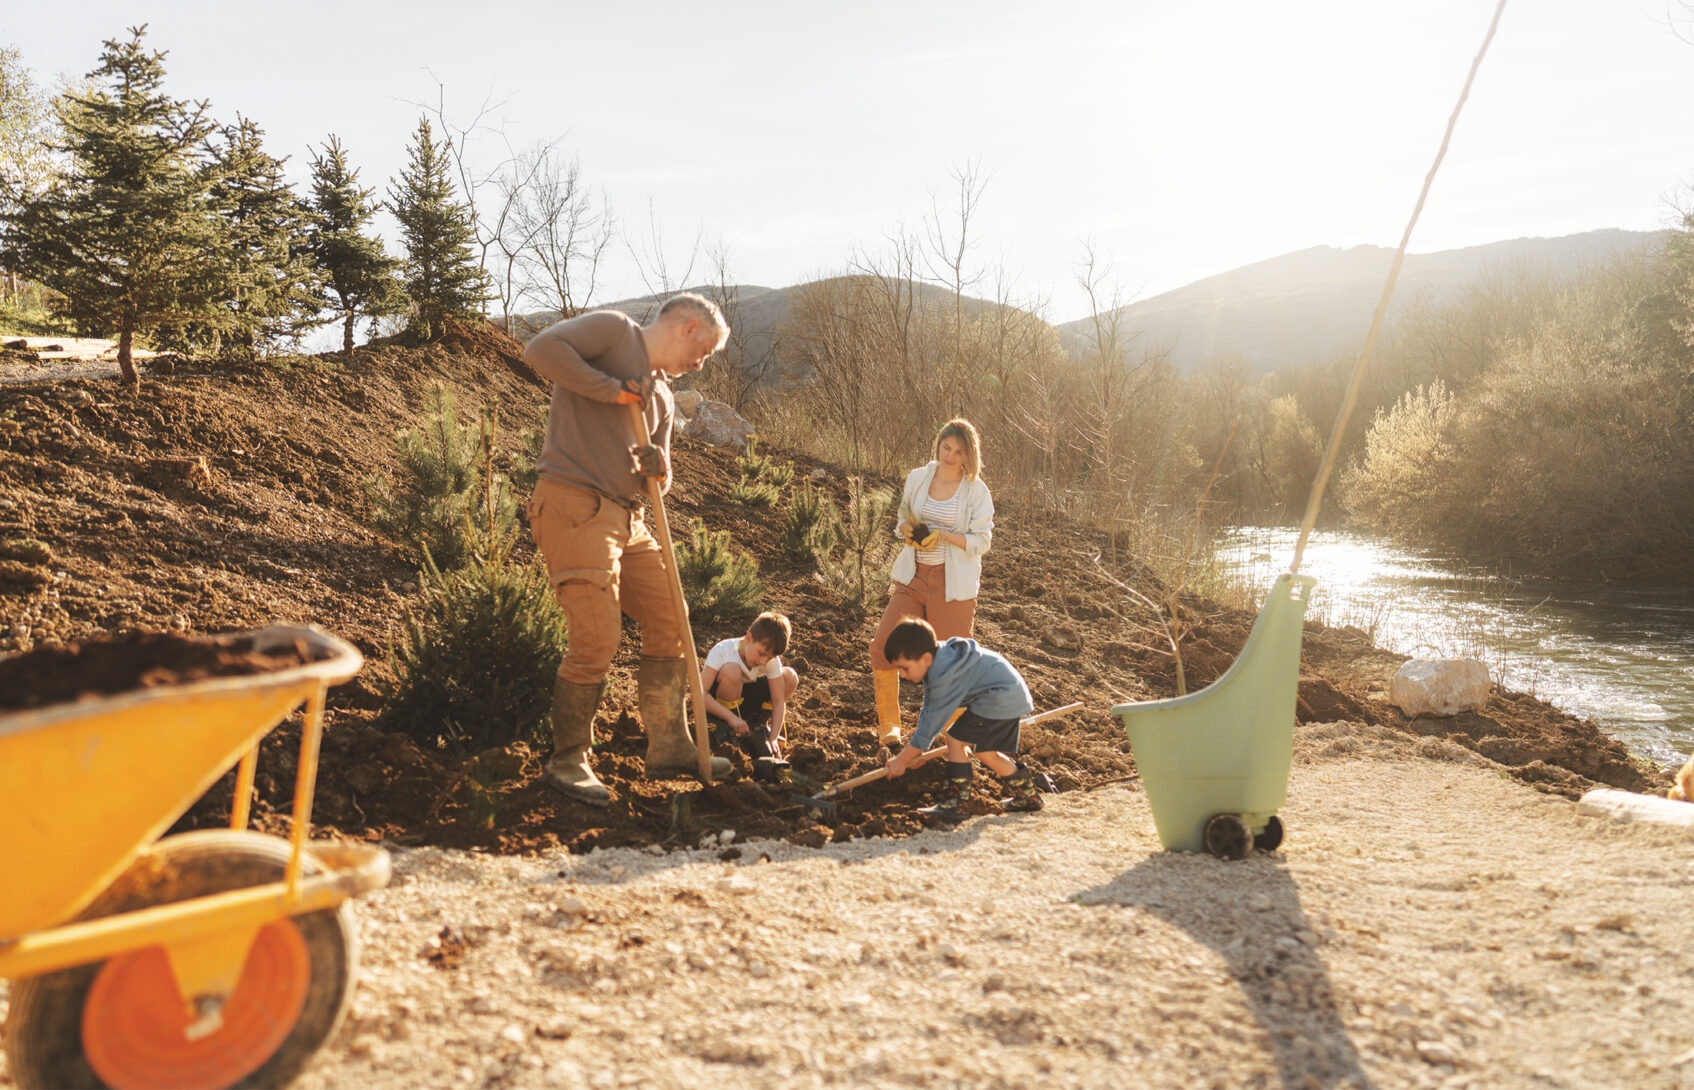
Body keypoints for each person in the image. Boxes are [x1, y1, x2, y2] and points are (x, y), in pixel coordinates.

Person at [523, 292, 731, 806]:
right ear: (687, 327)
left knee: (671, 619)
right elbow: (541, 351)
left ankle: (668, 745)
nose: (699, 364)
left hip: (629, 517)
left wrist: (658, 471)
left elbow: (656, 476)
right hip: (575, 504)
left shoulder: (660, 393)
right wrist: (614, 392)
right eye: (703, 351)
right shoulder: (615, 334)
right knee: (597, 636)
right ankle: (568, 760)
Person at [869, 419, 994, 747]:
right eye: (946, 448)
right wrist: (906, 532)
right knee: (883, 645)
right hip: (913, 577)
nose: (950, 456)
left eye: (958, 451)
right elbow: (902, 518)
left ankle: (954, 738)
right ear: (938, 445)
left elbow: (983, 540)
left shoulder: (976, 491)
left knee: (952, 663)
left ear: (969, 455)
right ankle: (889, 729)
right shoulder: (918, 477)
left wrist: (946, 537)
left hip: (951, 587)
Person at [881, 618, 1043, 824]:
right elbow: (929, 708)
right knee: (985, 753)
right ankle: (1027, 796)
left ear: (926, 659)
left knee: (955, 739)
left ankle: (956, 804)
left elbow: (931, 724)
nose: (901, 675)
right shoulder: (940, 659)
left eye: (904, 668)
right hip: (1009, 696)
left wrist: (901, 760)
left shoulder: (944, 675)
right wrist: (917, 750)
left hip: (999, 698)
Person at [701, 611, 799, 779]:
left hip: (744, 703)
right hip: (718, 706)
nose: (763, 662)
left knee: (789, 676)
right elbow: (699, 694)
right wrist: (731, 719)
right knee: (733, 671)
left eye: (769, 658)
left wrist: (774, 737)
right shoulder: (724, 650)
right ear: (748, 639)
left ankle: (758, 725)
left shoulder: (769, 659)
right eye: (761, 654)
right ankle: (725, 730)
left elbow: (778, 699)